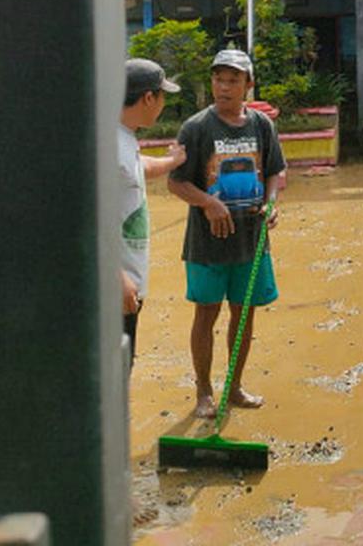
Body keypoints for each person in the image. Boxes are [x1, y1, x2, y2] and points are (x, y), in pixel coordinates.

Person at [168, 49, 286, 418]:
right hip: (208, 242)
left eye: (233, 80)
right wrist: (208, 203)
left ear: (248, 85)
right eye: (219, 79)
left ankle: (234, 387)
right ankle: (203, 391)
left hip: (251, 240)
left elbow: (274, 173)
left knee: (244, 313)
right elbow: (176, 183)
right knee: (206, 313)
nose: (224, 86)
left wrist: (270, 203)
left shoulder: (261, 126)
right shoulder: (197, 127)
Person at [119, 58, 186, 369]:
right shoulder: (108, 143)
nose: (162, 104)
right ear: (148, 97)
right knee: (114, 374)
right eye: (162, 96)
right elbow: (85, 216)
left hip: (124, 286)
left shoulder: (122, 137)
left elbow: (138, 168)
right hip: (115, 289)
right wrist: (116, 278)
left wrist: (171, 162)